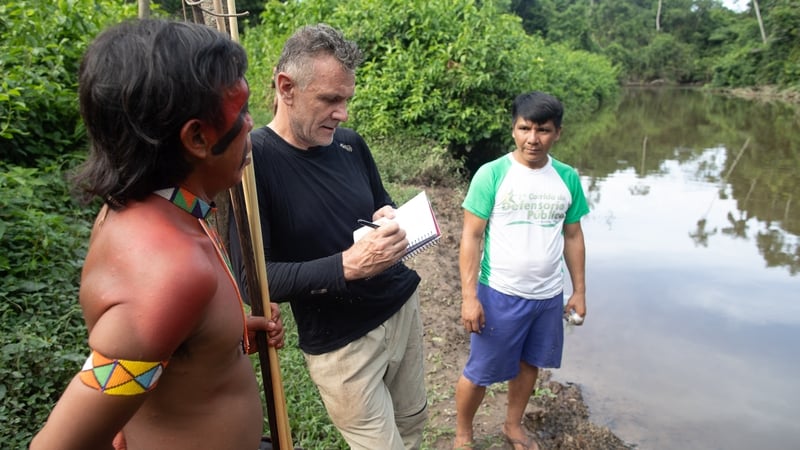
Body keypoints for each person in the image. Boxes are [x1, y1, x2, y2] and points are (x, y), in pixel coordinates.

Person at [30, 18, 285, 450]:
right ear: (198, 138)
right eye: (240, 111)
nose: (251, 123)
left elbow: (155, 345)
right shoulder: (171, 273)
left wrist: (223, 333)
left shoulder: (164, 205)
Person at [229, 23, 428, 450]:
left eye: (347, 100)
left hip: (400, 309)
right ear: (286, 87)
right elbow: (253, 280)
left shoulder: (350, 145)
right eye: (331, 100)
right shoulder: (251, 163)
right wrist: (347, 265)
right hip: (343, 344)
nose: (343, 114)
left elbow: (381, 202)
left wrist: (389, 215)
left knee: (412, 426)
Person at [453, 91, 589, 450]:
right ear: (513, 130)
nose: (533, 138)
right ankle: (463, 435)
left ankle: (513, 426)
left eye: (542, 130)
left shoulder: (567, 178)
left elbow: (573, 236)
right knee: (480, 371)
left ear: (557, 132)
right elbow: (471, 237)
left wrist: (579, 291)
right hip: (499, 292)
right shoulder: (492, 174)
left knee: (531, 365)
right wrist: (470, 298)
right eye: (524, 128)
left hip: (547, 297)